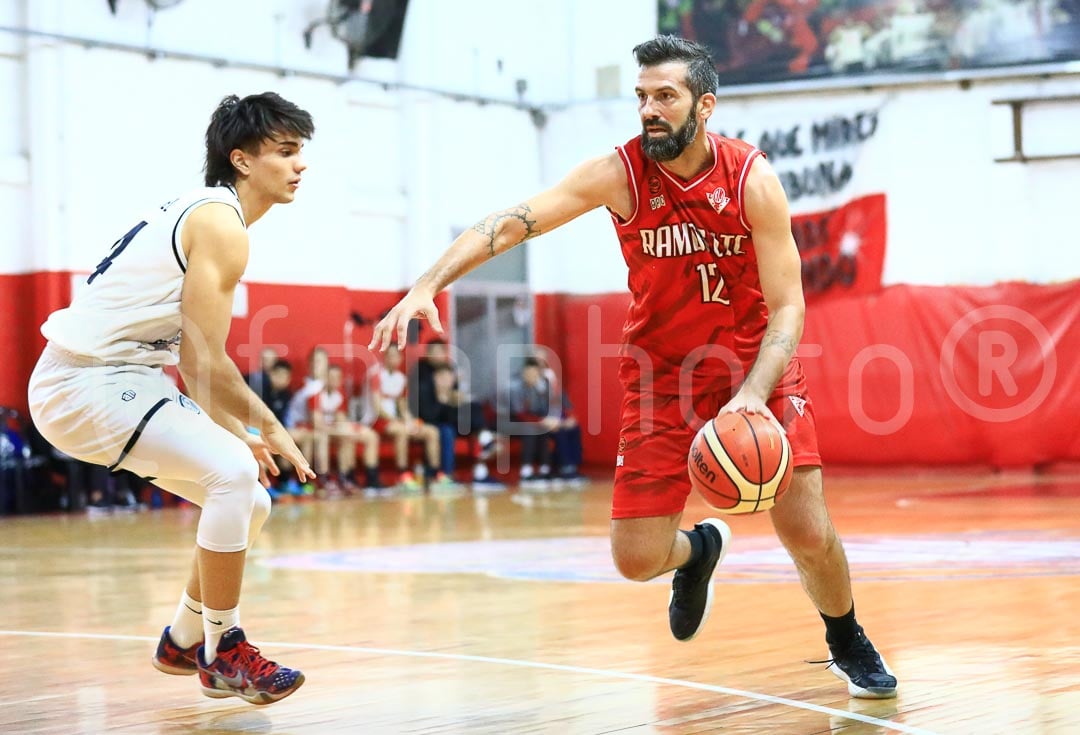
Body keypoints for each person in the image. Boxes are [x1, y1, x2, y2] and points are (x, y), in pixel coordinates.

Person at [370, 37, 897, 699]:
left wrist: (755, 394)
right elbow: (513, 223)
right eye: (642, 97)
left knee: (807, 530)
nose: (649, 109)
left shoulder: (750, 180)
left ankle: (846, 636)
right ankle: (699, 550)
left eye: (665, 97)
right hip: (661, 378)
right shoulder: (618, 173)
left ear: (704, 106)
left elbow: (789, 307)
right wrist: (427, 282)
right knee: (636, 556)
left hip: (753, 367)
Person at [28, 92, 317, 705]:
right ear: (240, 160)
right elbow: (206, 362)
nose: (301, 165)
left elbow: (193, 359)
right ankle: (225, 649)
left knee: (247, 500)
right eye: (286, 152)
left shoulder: (208, 214)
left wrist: (234, 436)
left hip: (118, 379)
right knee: (235, 473)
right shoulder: (220, 222)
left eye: (302, 152)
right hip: (87, 380)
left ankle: (186, 640)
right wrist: (271, 428)